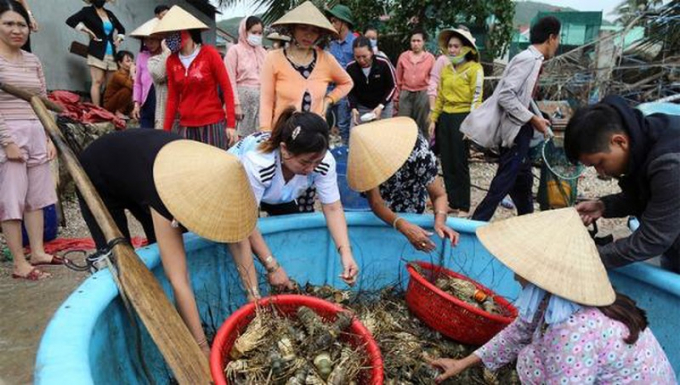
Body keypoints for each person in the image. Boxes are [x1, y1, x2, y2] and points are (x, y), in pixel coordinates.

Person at [429, 208, 677, 383]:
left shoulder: (574, 330)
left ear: (540, 273)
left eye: (519, 267)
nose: (515, 275)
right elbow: (520, 332)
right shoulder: (560, 299)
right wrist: (461, 363)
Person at [77, 129, 260, 356]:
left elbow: (239, 240)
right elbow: (179, 279)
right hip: (99, 173)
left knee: (160, 245)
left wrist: (254, 298)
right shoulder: (167, 196)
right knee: (120, 260)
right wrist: (202, 348)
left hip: (140, 169)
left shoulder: (225, 175)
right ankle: (132, 335)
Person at [229, 108, 359, 291]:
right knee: (238, 235)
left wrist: (345, 252)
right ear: (284, 150)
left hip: (279, 191)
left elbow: (332, 208)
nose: (311, 169)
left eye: (317, 162)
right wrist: (271, 265)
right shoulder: (259, 163)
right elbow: (247, 221)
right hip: (233, 187)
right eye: (305, 162)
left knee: (291, 232)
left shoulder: (322, 162)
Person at [564, 96, 680, 273]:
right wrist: (604, 206)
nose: (599, 172)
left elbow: (653, 239)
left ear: (619, 142)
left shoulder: (670, 165)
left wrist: (590, 258)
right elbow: (654, 197)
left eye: (599, 163)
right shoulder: (644, 136)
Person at [461, 16, 560, 221]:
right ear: (551, 37)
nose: (557, 44)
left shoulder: (534, 60)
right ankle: (477, 222)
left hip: (521, 127)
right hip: (515, 129)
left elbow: (523, 97)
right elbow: (506, 95)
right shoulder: (527, 59)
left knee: (522, 179)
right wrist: (533, 119)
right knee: (505, 179)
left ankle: (527, 220)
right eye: (558, 39)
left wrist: (536, 117)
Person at [0, 0, 60, 280]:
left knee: (36, 199)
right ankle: (19, 263)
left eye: (21, 24)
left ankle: (36, 251)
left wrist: (48, 137)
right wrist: (6, 142)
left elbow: (43, 101)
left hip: (36, 131)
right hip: (8, 134)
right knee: (12, 200)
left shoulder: (33, 60)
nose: (16, 30)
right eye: (9, 23)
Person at [347, 117, 459, 252]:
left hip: (411, 200)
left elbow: (439, 195)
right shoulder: (367, 156)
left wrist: (440, 221)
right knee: (382, 243)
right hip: (383, 206)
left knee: (410, 245)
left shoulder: (418, 151)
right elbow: (376, 202)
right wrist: (401, 225)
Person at [259, 1, 353, 131]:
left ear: (319, 34)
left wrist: (328, 100)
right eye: (303, 28)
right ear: (293, 28)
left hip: (315, 136)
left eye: (314, 31)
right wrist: (265, 132)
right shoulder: (273, 58)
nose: (308, 35)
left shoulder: (326, 59)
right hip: (283, 134)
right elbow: (266, 101)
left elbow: (347, 82)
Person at [153, 5, 237, 149]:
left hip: (212, 124)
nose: (171, 37)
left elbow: (227, 88)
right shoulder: (171, 61)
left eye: (176, 32)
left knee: (214, 167)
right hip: (186, 126)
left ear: (188, 31)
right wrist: (165, 132)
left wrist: (231, 124)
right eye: (169, 33)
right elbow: (173, 98)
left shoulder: (210, 54)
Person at [428, 28, 483, 217]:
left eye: (456, 46)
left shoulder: (475, 69)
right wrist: (434, 120)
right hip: (446, 116)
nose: (452, 50)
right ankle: (452, 201)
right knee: (447, 161)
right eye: (450, 46)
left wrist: (472, 124)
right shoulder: (446, 69)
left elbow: (477, 98)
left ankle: (464, 205)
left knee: (460, 162)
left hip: (463, 116)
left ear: (465, 48)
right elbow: (441, 96)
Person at [66, 0, 125, 106]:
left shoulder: (109, 14)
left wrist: (118, 40)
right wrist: (87, 30)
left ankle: (108, 109)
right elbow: (71, 20)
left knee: (111, 85)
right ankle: (97, 109)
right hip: (96, 51)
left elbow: (121, 29)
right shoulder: (87, 11)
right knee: (97, 82)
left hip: (111, 53)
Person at [225, 16, 266, 138]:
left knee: (259, 139)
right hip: (243, 102)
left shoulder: (263, 52)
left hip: (261, 102)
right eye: (254, 32)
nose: (257, 36)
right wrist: (236, 105)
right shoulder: (235, 51)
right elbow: (229, 80)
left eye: (260, 33)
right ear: (244, 31)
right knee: (241, 139)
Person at [346, 37, 395, 131]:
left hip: (383, 106)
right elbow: (350, 91)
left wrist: (381, 105)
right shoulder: (350, 68)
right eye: (357, 57)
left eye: (364, 56)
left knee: (384, 134)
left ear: (372, 52)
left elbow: (392, 86)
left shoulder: (383, 64)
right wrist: (353, 108)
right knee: (357, 134)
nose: (361, 60)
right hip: (361, 107)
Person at [324, 3, 355, 144]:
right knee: (324, 121)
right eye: (331, 21)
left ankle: (347, 153)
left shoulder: (355, 43)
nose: (332, 23)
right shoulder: (330, 44)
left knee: (344, 124)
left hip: (345, 91)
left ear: (344, 21)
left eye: (335, 21)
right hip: (328, 89)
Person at [396, 30, 435, 139]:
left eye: (418, 41)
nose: (416, 44)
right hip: (406, 93)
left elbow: (434, 80)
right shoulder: (403, 57)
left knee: (423, 124)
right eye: (413, 41)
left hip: (423, 93)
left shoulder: (430, 58)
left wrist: (433, 99)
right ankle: (405, 152)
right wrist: (396, 97)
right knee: (404, 124)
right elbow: (398, 78)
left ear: (424, 42)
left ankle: (424, 151)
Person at [130, 18, 161, 128]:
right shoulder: (142, 56)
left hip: (161, 104)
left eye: (153, 39)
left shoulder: (167, 56)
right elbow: (137, 83)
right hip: (146, 104)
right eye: (146, 40)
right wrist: (136, 104)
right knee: (146, 135)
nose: (150, 43)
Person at [103, 50, 135, 118]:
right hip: (110, 105)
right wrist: (133, 73)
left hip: (122, 102)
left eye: (132, 61)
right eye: (128, 61)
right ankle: (119, 112)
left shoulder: (128, 73)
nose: (131, 64)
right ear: (120, 63)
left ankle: (129, 112)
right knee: (127, 90)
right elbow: (132, 86)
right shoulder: (118, 75)